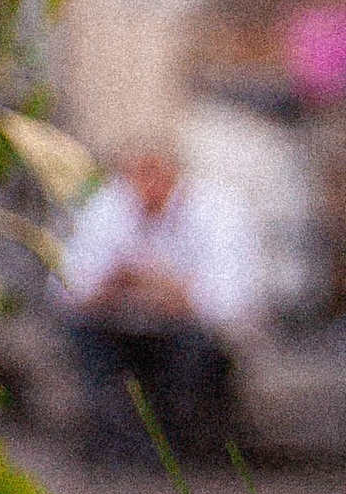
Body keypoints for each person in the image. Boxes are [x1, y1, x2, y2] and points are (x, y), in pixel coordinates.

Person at [56, 140, 265, 462]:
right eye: (135, 175)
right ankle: (125, 446)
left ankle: (176, 446)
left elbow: (230, 300)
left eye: (154, 173)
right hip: (119, 326)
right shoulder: (106, 206)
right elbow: (65, 287)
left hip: (190, 330)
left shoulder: (218, 208)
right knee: (84, 337)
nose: (144, 185)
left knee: (193, 352)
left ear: (175, 175)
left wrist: (163, 288)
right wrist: (110, 287)